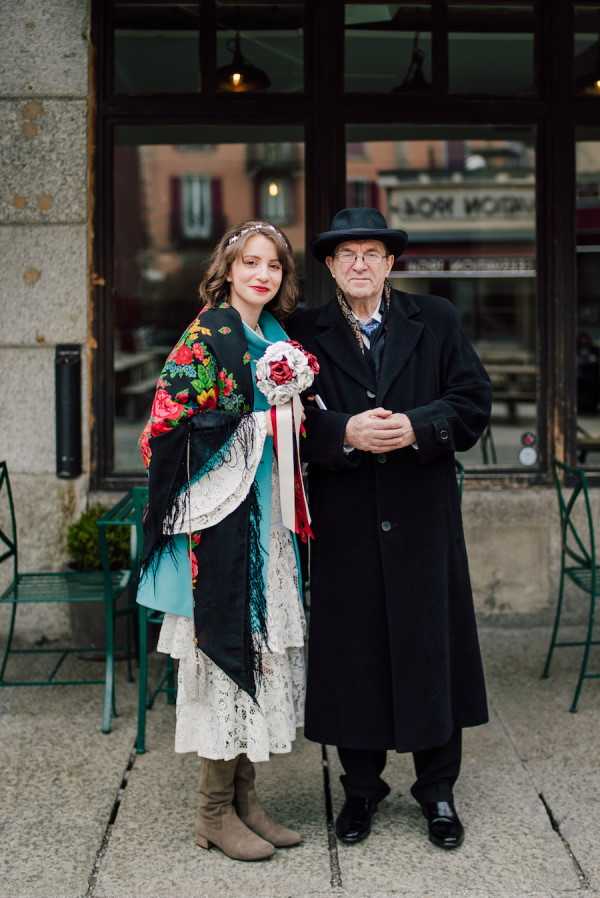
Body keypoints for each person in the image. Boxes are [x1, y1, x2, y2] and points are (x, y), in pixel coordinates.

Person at [288, 207, 492, 850]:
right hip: (345, 521)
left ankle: (437, 791)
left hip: (421, 520)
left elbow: (471, 401)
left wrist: (419, 425)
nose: (358, 263)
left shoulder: (435, 319)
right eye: (345, 254)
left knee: (432, 646)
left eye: (371, 252)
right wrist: (340, 432)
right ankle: (360, 792)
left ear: (389, 262)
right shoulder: (300, 333)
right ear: (328, 265)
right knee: (355, 653)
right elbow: (283, 422)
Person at [137, 220, 307, 862]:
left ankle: (245, 800)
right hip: (222, 524)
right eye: (251, 263)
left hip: (268, 521)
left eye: (274, 267)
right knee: (222, 654)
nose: (263, 274)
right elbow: (165, 426)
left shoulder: (277, 336)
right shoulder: (208, 333)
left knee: (259, 654)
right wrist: (257, 424)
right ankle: (211, 812)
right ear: (228, 270)